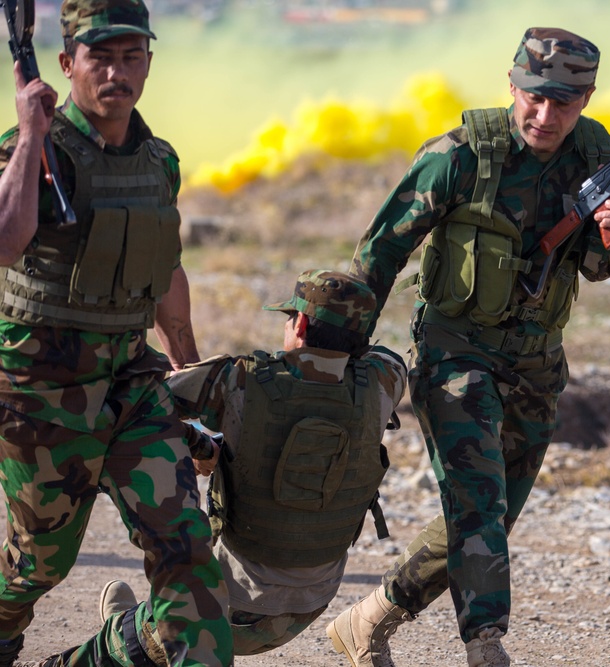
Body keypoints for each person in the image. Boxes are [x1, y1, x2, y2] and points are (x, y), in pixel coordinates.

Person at [330, 27, 610, 667]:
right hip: (454, 351)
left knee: (490, 518)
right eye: (535, 98)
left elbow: (597, 270)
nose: (546, 115)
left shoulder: (597, 156)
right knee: (477, 501)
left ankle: (369, 618)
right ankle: (485, 644)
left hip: (537, 361)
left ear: (586, 100)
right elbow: (380, 251)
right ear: (512, 86)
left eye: (565, 103)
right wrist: (337, 350)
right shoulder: (462, 154)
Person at [0, 1, 233, 665]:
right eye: (99, 57)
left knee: (187, 554)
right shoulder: (30, 150)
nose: (116, 72)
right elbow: (6, 240)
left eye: (131, 56)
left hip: (130, 386)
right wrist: (27, 137)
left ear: (149, 64)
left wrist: (189, 365)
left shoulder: (158, 160)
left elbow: (163, 269)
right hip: (40, 391)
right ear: (67, 63)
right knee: (37, 567)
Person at [25, 269, 407, 666]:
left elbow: (145, 404)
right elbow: (390, 356)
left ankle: (117, 638)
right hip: (311, 606)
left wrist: (199, 445)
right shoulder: (383, 383)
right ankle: (134, 625)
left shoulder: (240, 380)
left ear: (302, 323)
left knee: (143, 640)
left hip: (229, 608)